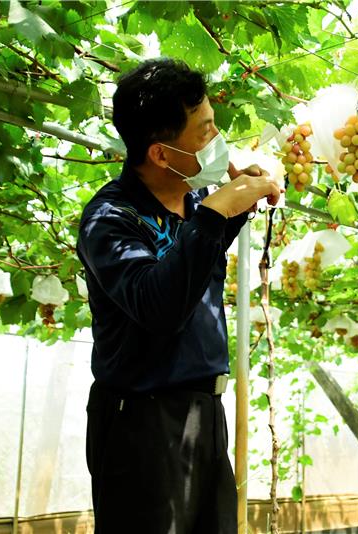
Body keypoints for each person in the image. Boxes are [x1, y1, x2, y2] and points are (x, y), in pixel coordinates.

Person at [76, 58, 281, 534]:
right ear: (160, 154)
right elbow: (159, 307)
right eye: (204, 131)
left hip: (204, 417)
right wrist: (215, 213)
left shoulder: (191, 201)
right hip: (142, 424)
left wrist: (236, 201)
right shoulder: (110, 219)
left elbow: (190, 274)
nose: (217, 141)